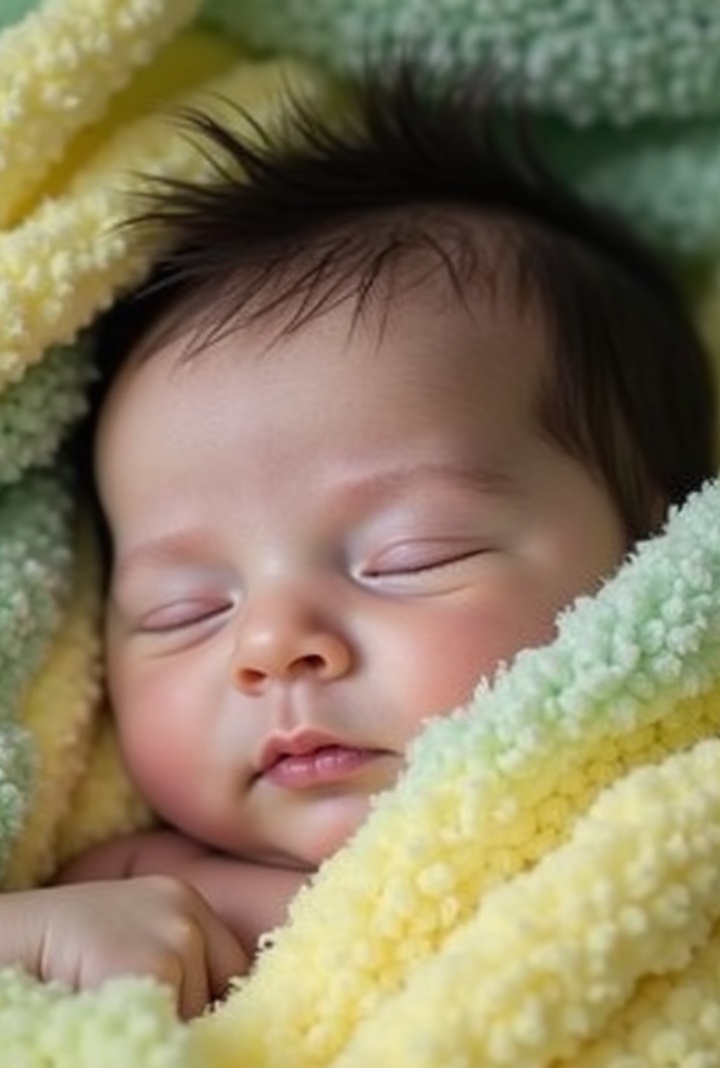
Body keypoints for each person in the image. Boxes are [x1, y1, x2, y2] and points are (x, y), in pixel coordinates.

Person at [0, 66, 715, 1017]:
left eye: (411, 556)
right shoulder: (145, 885)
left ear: (658, 557)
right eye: (186, 611)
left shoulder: (674, 813)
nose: (269, 645)